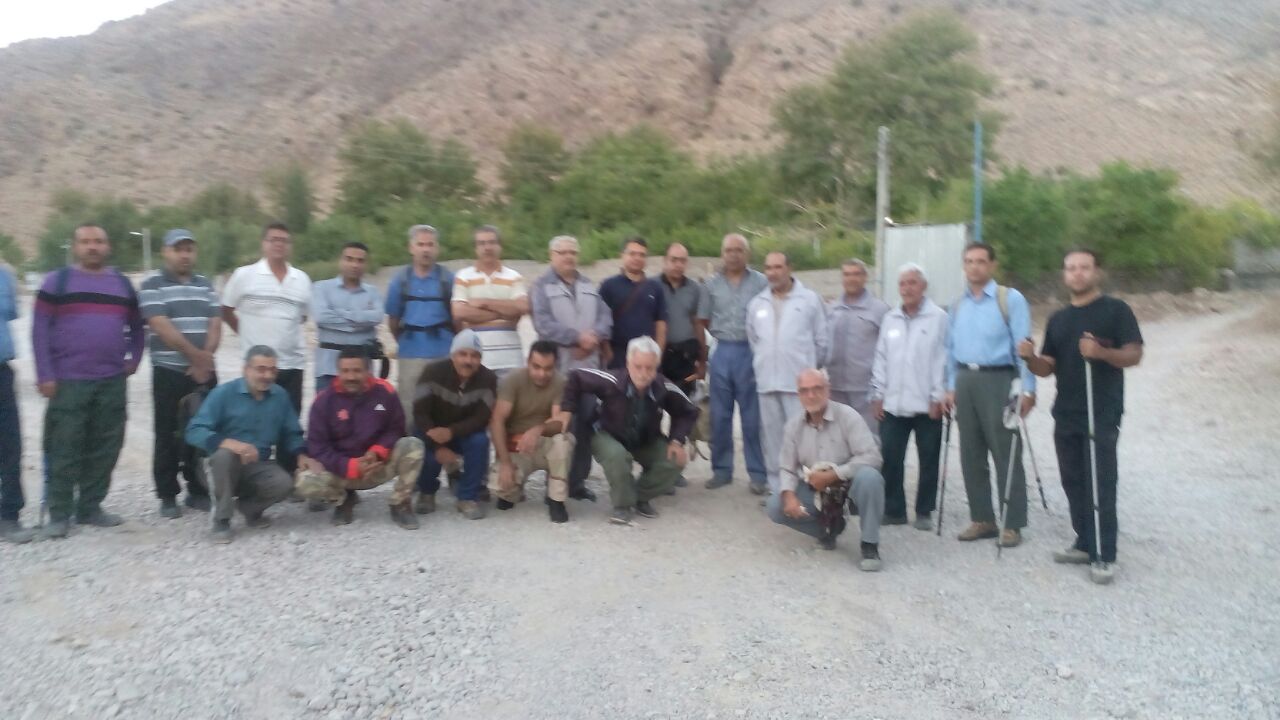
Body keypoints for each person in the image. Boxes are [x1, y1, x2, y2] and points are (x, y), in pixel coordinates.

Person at [1019, 249, 1143, 585]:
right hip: (1067, 412)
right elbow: (1047, 367)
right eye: (1071, 268)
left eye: (1084, 268)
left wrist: (1101, 352)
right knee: (1073, 480)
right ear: (1064, 274)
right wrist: (1030, 358)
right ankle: (1084, 542)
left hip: (1100, 410)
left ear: (1097, 272)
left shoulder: (1116, 310)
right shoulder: (1059, 319)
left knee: (1100, 481)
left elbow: (1134, 354)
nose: (1077, 273)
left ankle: (1104, 553)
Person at [32, 224, 144, 539]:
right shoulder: (57, 282)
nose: (92, 247)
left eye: (98, 241)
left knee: (106, 445)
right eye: (85, 242)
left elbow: (138, 326)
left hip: (111, 381)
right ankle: (59, 514)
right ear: (75, 246)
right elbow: (39, 330)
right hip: (68, 382)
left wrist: (134, 358)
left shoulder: (122, 284)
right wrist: (44, 374)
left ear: (108, 247)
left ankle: (90, 507)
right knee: (64, 448)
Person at [944, 243, 1036, 548]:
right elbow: (949, 350)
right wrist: (950, 386)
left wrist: (1027, 388)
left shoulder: (1009, 299)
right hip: (965, 379)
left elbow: (1022, 346)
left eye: (981, 261)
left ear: (992, 265)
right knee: (970, 453)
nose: (975, 267)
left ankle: (1013, 522)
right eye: (969, 261)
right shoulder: (957, 305)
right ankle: (982, 518)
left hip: (998, 378)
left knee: (1005, 451)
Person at [185, 346, 317, 543]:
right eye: (261, 369)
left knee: (284, 483)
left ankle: (250, 509)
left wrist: (301, 455)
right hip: (219, 465)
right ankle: (221, 519)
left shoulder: (279, 396)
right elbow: (194, 431)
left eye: (272, 370)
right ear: (246, 369)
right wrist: (229, 443)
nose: (267, 375)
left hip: (258, 464)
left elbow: (292, 431)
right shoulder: (223, 394)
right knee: (224, 456)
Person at [562, 336, 697, 524]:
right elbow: (575, 377)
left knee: (675, 460)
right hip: (607, 433)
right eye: (637, 366)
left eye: (649, 368)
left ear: (656, 367)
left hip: (644, 438)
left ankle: (639, 496)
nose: (643, 374)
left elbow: (688, 411)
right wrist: (566, 410)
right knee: (618, 457)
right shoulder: (611, 380)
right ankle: (623, 506)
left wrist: (677, 440)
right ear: (628, 364)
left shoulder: (663, 387)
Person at [767, 369, 885, 572]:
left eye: (817, 389)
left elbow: (873, 457)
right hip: (818, 490)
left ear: (828, 390)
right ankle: (829, 529)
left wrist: (834, 475)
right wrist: (788, 495)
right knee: (775, 506)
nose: (811, 395)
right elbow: (787, 468)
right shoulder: (793, 426)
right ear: (799, 395)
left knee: (870, 478)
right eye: (805, 391)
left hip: (850, 486)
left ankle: (870, 544)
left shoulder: (848, 416)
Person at [139, 228, 222, 519]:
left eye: (189, 249)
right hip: (169, 371)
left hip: (205, 371)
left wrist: (205, 359)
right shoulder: (152, 285)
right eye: (178, 249)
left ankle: (198, 490)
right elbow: (160, 324)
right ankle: (167, 495)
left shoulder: (205, 285)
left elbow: (215, 323)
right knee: (168, 434)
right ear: (166, 251)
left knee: (204, 431)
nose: (184, 255)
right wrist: (196, 358)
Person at [296, 347, 424, 529]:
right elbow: (318, 447)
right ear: (338, 371)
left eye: (357, 370)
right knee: (304, 480)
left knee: (413, 445)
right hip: (342, 472)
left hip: (377, 466)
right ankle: (343, 499)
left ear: (368, 370)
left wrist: (377, 452)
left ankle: (400, 503)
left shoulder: (385, 391)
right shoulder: (323, 401)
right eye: (345, 371)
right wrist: (351, 466)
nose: (351, 377)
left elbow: (396, 429)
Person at [529, 235, 612, 501]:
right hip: (558, 374)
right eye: (562, 252)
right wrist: (577, 338)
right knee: (559, 430)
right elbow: (543, 324)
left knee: (584, 427)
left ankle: (577, 483)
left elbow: (605, 318)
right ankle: (554, 486)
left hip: (587, 372)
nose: (568, 257)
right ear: (551, 255)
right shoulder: (541, 287)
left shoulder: (588, 285)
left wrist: (593, 337)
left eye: (572, 252)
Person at [870, 263, 948, 530]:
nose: (907, 288)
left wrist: (938, 396)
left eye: (912, 282)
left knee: (929, 459)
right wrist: (877, 394)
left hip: (927, 404)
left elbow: (942, 359)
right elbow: (881, 358)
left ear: (923, 286)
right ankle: (894, 510)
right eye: (902, 283)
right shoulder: (890, 318)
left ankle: (924, 511)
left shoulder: (938, 318)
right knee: (891, 458)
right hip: (893, 403)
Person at [747, 251, 829, 495]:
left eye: (778, 267)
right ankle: (778, 491)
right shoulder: (757, 303)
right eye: (768, 268)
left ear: (789, 268)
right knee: (773, 441)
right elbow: (754, 340)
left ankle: (808, 490)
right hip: (767, 384)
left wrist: (808, 371)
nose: (772, 273)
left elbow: (822, 341)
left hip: (800, 387)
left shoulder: (810, 300)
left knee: (804, 439)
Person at [698, 233, 769, 493]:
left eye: (739, 250)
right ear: (722, 254)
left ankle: (758, 473)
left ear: (747, 254)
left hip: (750, 351)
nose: (734, 255)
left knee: (752, 418)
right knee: (720, 416)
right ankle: (721, 470)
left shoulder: (760, 282)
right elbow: (703, 319)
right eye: (729, 250)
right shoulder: (711, 285)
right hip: (722, 351)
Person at [220, 222, 312, 416]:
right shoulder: (244, 275)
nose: (279, 244)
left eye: (284, 240)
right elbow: (226, 310)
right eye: (273, 239)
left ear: (290, 246)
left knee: (289, 423)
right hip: (257, 367)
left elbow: (302, 317)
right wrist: (244, 333)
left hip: (292, 365)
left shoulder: (302, 279)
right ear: (263, 243)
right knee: (254, 422)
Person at [413, 329, 498, 519]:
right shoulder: (432, 372)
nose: (468, 361)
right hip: (431, 429)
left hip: (462, 432)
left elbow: (481, 418)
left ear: (480, 359)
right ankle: (427, 492)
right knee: (425, 451)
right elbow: (419, 412)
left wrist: (451, 432)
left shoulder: (488, 379)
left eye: (474, 356)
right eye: (463, 354)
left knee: (480, 441)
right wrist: (437, 445)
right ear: (453, 355)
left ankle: (467, 497)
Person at [488, 341, 573, 523]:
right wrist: (505, 462)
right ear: (528, 362)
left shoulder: (561, 383)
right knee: (498, 486)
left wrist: (538, 429)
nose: (542, 374)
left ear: (555, 366)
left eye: (548, 369)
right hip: (517, 446)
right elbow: (497, 421)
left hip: (545, 444)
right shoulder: (512, 380)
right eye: (536, 367)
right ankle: (514, 491)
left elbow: (559, 423)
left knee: (563, 440)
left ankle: (556, 499)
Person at [385, 225, 455, 420]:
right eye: (421, 244)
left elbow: (456, 317)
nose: (426, 250)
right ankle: (410, 440)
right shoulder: (400, 280)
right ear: (411, 248)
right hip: (410, 352)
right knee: (408, 405)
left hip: (443, 352)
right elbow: (393, 320)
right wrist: (405, 341)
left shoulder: (447, 279)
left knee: (444, 405)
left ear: (437, 248)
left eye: (430, 245)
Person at [450, 225, 528, 376]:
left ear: (500, 246)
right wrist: (503, 313)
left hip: (510, 359)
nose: (487, 247)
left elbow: (522, 307)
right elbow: (459, 312)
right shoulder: (463, 276)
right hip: (475, 359)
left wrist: (484, 303)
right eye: (482, 243)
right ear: (475, 248)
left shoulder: (514, 277)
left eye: (492, 242)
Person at [826, 258, 890, 433]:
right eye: (847, 274)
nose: (851, 279)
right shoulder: (831, 310)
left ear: (865, 277)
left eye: (856, 274)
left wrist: (881, 390)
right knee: (839, 438)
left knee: (868, 438)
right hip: (836, 389)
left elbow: (889, 351)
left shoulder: (880, 310)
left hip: (866, 391)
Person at [313, 242, 383, 391]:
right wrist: (360, 322)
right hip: (328, 368)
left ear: (366, 264)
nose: (354, 265)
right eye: (349, 259)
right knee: (325, 406)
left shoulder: (373, 292)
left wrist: (341, 313)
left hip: (363, 370)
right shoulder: (321, 288)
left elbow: (377, 317)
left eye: (360, 261)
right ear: (340, 260)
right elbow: (321, 317)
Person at [0, 262, 33, 543]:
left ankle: (10, 515)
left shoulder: (4, 276)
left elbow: (9, 313)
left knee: (10, 445)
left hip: (1, 371)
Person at [599, 236, 667, 369]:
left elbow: (661, 324)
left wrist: (658, 353)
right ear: (622, 255)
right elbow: (600, 322)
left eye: (642, 255)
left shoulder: (655, 287)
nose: (637, 258)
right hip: (617, 355)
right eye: (632, 254)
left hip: (646, 356)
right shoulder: (608, 286)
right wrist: (608, 353)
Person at [657, 242, 708, 396]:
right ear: (665, 260)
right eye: (674, 260)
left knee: (684, 402)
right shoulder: (652, 286)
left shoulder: (695, 289)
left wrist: (702, 361)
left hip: (685, 357)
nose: (678, 265)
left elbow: (698, 325)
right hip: (659, 356)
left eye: (682, 261)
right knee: (657, 401)